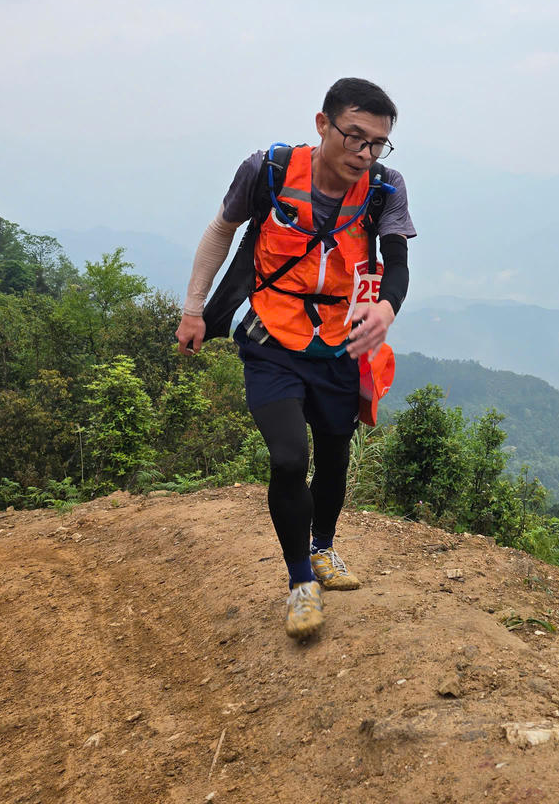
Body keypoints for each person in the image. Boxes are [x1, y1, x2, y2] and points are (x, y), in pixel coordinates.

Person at [175, 78, 415, 639]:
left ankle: (325, 545)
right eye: (355, 137)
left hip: (340, 341)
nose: (365, 153)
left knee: (333, 457)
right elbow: (222, 231)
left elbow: (398, 264)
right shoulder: (270, 171)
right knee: (288, 459)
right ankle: (300, 580)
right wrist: (193, 308)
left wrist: (387, 308)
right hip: (270, 336)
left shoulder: (385, 187)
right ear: (322, 124)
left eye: (378, 143)